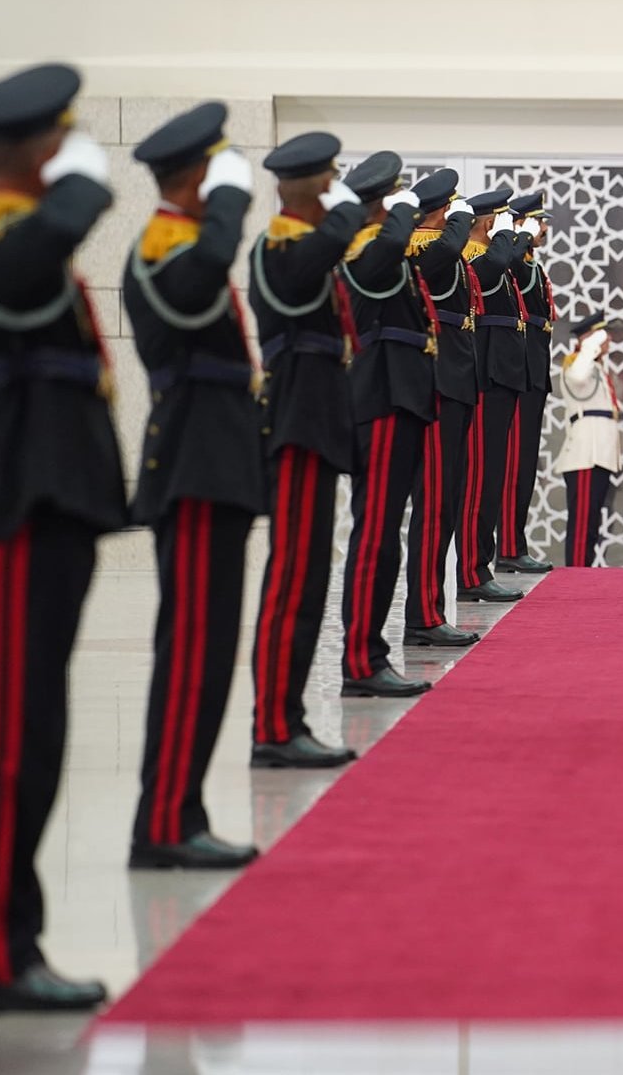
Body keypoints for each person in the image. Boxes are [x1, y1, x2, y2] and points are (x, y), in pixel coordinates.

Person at [0, 65, 124, 1013]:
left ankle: (15, 943)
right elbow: (50, 239)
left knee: (36, 736)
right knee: (11, 740)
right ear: (34, 148)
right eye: (63, 141)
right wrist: (85, 181)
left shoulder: (18, 233)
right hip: (12, 509)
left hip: (49, 507)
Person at [120, 103, 265, 872]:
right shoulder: (165, 248)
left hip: (214, 463)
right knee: (193, 652)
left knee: (207, 653)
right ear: (195, 177)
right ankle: (166, 820)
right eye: (218, 172)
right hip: (193, 465)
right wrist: (234, 202)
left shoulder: (178, 246)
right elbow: (209, 267)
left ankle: (179, 811)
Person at [246, 131, 364, 770]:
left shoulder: (304, 246)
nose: (334, 195)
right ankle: (271, 726)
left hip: (316, 420)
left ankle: (286, 719)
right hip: (293, 421)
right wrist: (345, 207)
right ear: (306, 188)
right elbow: (318, 256)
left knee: (309, 576)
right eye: (328, 183)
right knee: (291, 577)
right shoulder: (281, 247)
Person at [335, 153, 435, 699]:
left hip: (400, 399)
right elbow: (392, 247)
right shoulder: (363, 252)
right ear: (379, 202)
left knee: (384, 538)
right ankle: (360, 661)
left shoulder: (376, 249)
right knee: (375, 537)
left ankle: (370, 656)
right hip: (380, 400)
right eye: (393, 198)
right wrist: (402, 211)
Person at [400, 178, 487, 649]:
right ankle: (423, 616)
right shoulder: (423, 250)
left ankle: (432, 610)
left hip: (456, 381)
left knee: (446, 503)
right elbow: (451, 245)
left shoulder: (443, 249)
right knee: (432, 506)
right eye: (453, 209)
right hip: (436, 383)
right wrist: (457, 218)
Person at [457, 203, 538, 603]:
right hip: (488, 377)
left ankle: (479, 567)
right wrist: (510, 235)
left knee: (491, 478)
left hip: (503, 376)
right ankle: (472, 570)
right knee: (480, 478)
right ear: (489, 223)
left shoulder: (493, 259)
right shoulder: (476, 259)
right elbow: (497, 264)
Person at [498, 191, 559, 575]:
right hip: (520, 368)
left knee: (525, 463)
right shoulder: (513, 262)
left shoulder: (531, 262)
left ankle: (514, 541)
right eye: (538, 221)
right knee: (513, 462)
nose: (545, 228)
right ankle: (507, 545)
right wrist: (518, 233)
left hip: (534, 367)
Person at [554, 314, 622, 565]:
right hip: (586, 456)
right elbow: (578, 378)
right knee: (582, 526)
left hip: (600, 456)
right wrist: (591, 345)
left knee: (590, 524)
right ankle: (575, 577)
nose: (608, 340)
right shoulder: (577, 364)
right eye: (602, 335)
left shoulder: (598, 367)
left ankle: (582, 575)